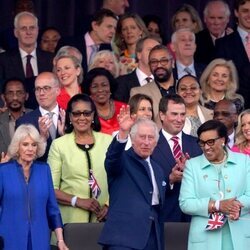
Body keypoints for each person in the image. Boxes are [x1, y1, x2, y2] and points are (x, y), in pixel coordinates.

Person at [99, 113, 167, 250]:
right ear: (132, 138)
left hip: (152, 238)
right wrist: (123, 132)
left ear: (156, 142)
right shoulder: (122, 160)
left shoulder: (158, 169)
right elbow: (112, 158)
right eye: (142, 137)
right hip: (124, 238)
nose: (146, 142)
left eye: (151, 138)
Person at [179, 120, 250, 250]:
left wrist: (236, 207)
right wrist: (217, 205)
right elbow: (185, 203)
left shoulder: (244, 161)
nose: (206, 147)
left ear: (222, 140)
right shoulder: (192, 166)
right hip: (205, 240)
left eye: (210, 142)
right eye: (202, 143)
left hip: (240, 237)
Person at [47, 94, 112, 227]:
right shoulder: (59, 145)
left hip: (104, 223)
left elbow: (119, 179)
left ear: (93, 115)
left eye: (86, 113)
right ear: (70, 117)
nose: (82, 118)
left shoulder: (108, 141)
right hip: (70, 224)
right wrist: (77, 200)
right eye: (76, 114)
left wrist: (109, 204)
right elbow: (50, 188)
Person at [0, 124, 68, 250]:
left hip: (40, 239)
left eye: (34, 144)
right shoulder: (3, 171)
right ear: (17, 147)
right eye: (25, 144)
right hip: (10, 239)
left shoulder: (44, 170)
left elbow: (53, 209)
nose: (30, 149)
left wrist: (60, 240)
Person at [151, 94, 202, 222]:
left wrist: (190, 172)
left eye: (182, 114)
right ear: (162, 115)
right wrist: (170, 180)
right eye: (174, 114)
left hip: (194, 218)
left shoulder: (197, 144)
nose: (179, 119)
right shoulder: (150, 145)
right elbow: (145, 186)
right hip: (164, 218)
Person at [16, 72, 65, 161]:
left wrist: (64, 136)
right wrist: (42, 138)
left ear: (58, 90)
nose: (41, 93)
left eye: (46, 88)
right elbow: (23, 159)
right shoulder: (24, 122)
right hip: (38, 172)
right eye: (38, 89)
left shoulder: (70, 117)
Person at [57, 9, 117, 75]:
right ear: (95, 26)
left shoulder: (109, 50)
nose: (113, 31)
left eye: (115, 28)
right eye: (109, 27)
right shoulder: (69, 43)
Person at [0, 11, 54, 82]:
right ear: (16, 33)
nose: (28, 32)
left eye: (32, 28)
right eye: (24, 28)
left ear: (37, 30)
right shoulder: (3, 60)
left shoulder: (51, 59)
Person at [216, 0, 250, 108]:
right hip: (237, 109)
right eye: (245, 11)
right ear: (236, 12)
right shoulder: (222, 45)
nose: (249, 15)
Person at [130, 44, 175, 124]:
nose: (159, 65)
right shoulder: (138, 92)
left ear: (172, 62)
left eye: (164, 61)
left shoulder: (186, 89)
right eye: (154, 62)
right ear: (149, 65)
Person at [115, 35, 161, 103]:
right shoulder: (121, 83)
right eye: (150, 50)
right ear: (139, 55)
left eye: (158, 51)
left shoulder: (165, 82)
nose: (155, 54)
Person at [83, 67, 125, 135]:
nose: (100, 90)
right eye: (94, 86)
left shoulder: (123, 108)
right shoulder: (85, 113)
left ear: (110, 87)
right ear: (89, 90)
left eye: (104, 85)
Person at [0, 78, 32, 158]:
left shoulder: (37, 116)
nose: (15, 98)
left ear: (26, 96)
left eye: (19, 93)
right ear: (3, 97)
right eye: (10, 93)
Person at [195, 0, 232, 65]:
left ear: (228, 19)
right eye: (212, 18)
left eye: (220, 18)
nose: (216, 22)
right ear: (205, 19)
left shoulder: (235, 39)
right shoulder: (196, 40)